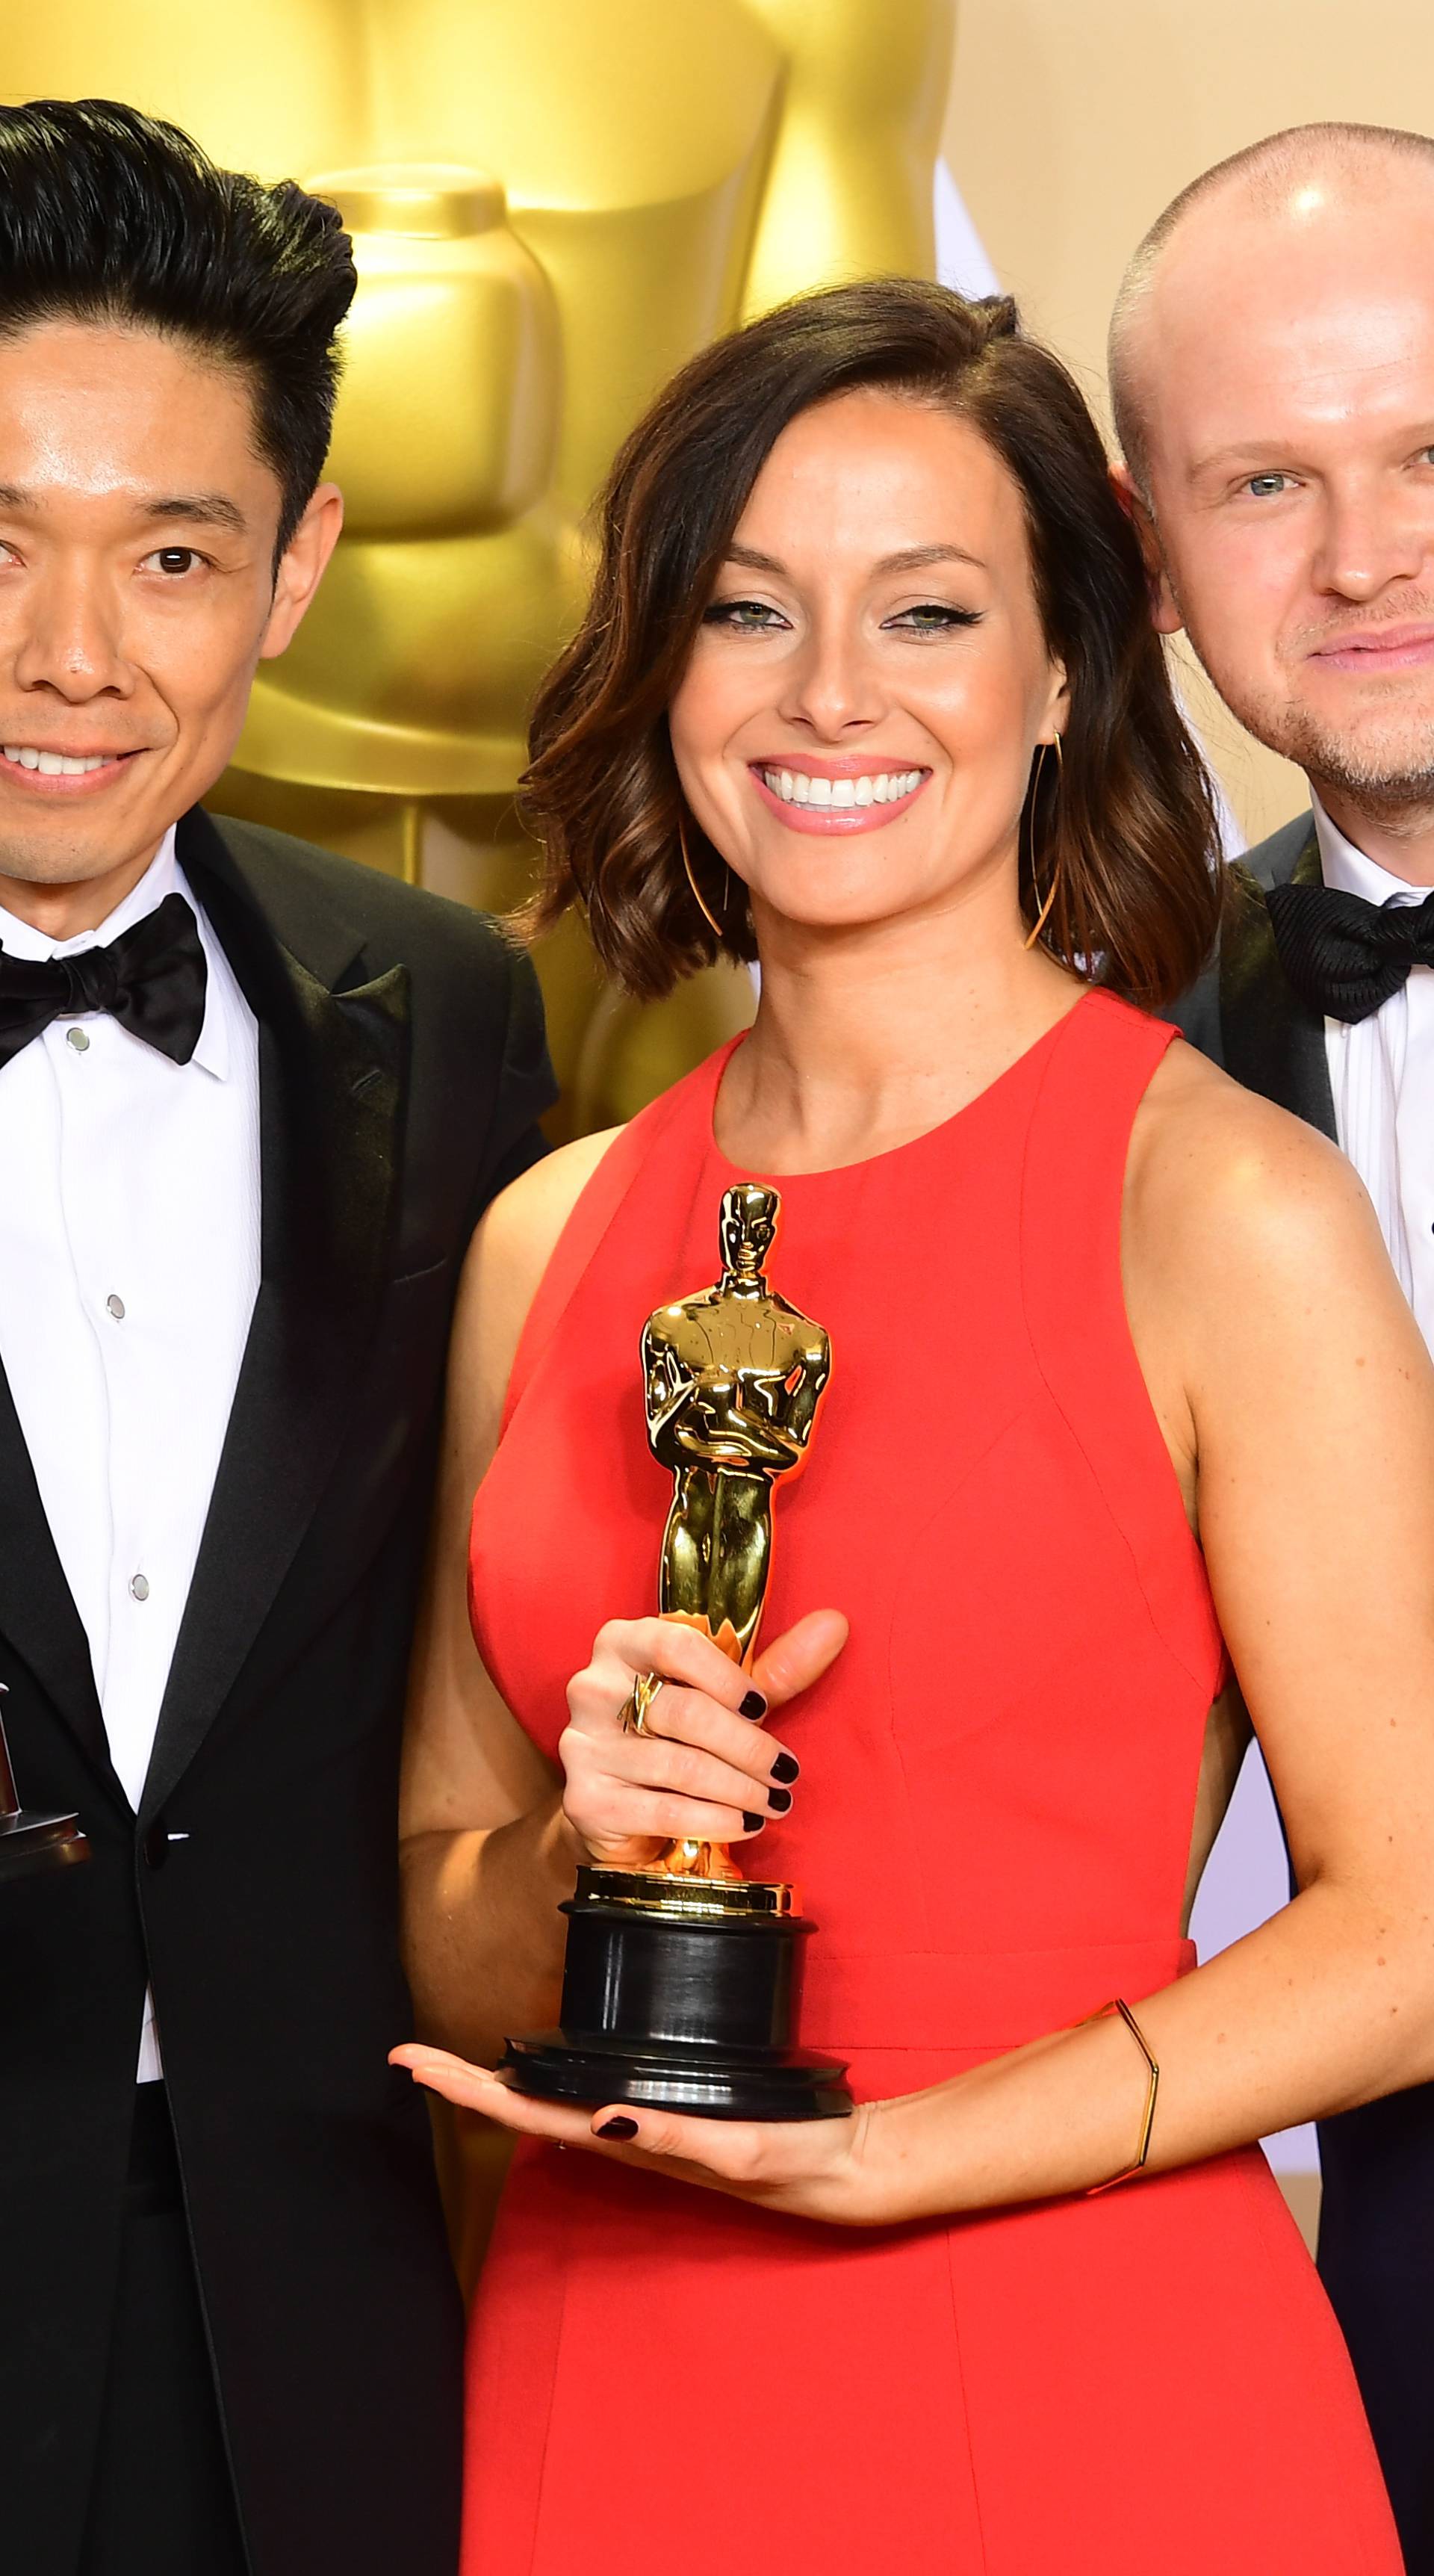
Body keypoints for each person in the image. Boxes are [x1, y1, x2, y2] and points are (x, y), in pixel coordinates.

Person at [394, 276, 1433, 2573]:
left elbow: (1419, 1922)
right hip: (604, 2371)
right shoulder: (544, 1237)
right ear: (662, 664)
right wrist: (586, 1852)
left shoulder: (1228, 1205)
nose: (832, 694)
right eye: (749, 608)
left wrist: (902, 2152)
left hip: (1084, 2353)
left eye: (929, 610)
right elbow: (445, 1920)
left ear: (1065, 670)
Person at [0, 99, 554, 2576]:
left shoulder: (443, 1011)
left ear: (297, 570)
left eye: (175, 555)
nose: (72, 658)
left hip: (314, 2291)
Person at [1107, 120, 1434, 2569]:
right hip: (1322, 2282)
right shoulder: (1114, 1049)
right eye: (1265, 480)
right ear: (1144, 548)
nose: (1364, 558)